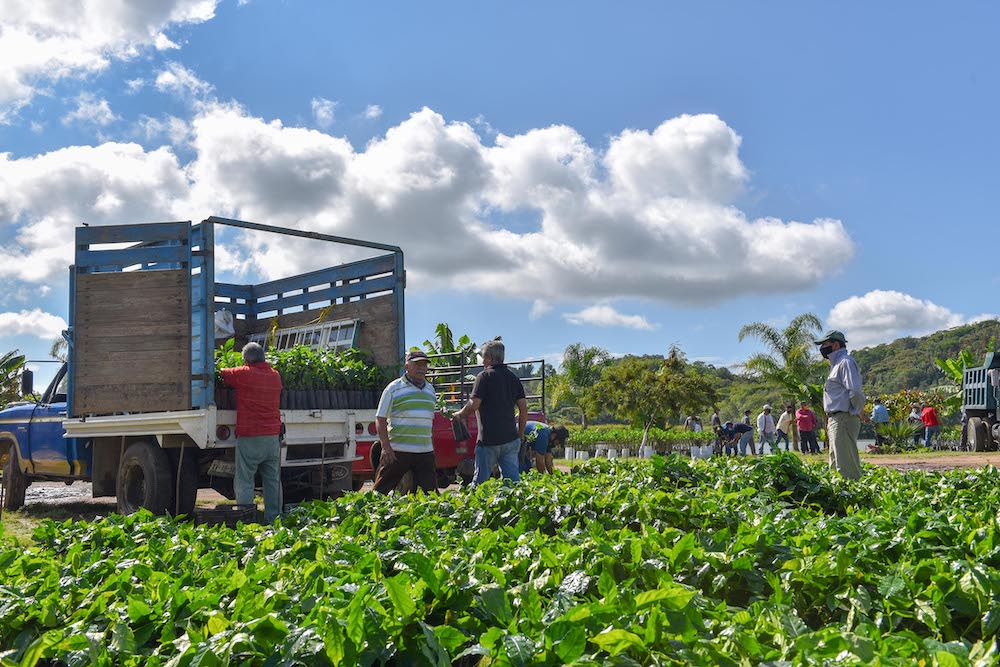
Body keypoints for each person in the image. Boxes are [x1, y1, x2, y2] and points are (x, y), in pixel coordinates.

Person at [219, 342, 284, 523]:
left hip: (250, 437)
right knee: (272, 480)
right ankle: (274, 519)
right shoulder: (276, 376)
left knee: (245, 480)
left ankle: (247, 519)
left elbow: (221, 373)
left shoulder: (244, 374)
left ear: (246, 360)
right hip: (272, 437)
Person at [451, 340, 527, 484]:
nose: (482, 361)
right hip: (511, 439)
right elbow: (523, 409)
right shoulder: (513, 378)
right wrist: (520, 435)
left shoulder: (484, 377)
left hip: (488, 441)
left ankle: (473, 505)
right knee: (512, 483)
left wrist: (459, 415)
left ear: (490, 358)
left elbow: (474, 405)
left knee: (480, 482)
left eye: (484, 358)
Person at [373, 349, 437, 494]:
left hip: (424, 452)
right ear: (406, 367)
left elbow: (427, 421)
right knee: (380, 492)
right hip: (398, 451)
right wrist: (386, 447)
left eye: (424, 365)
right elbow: (380, 418)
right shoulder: (393, 388)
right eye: (417, 364)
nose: (421, 368)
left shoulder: (430, 390)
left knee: (431, 495)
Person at [815, 330, 866, 480]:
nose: (822, 348)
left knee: (846, 466)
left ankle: (854, 498)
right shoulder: (836, 364)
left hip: (843, 417)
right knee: (836, 463)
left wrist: (856, 411)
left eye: (825, 344)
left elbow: (855, 391)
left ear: (836, 345)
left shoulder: (845, 362)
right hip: (836, 419)